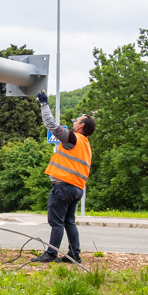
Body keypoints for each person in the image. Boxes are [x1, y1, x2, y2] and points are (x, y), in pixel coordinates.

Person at [33, 91, 96, 263]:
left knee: (57, 222)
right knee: (69, 222)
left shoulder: (73, 138)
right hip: (77, 188)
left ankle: (51, 254)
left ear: (82, 126)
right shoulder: (86, 145)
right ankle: (74, 255)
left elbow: (51, 125)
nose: (74, 122)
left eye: (77, 121)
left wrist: (44, 104)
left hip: (63, 187)